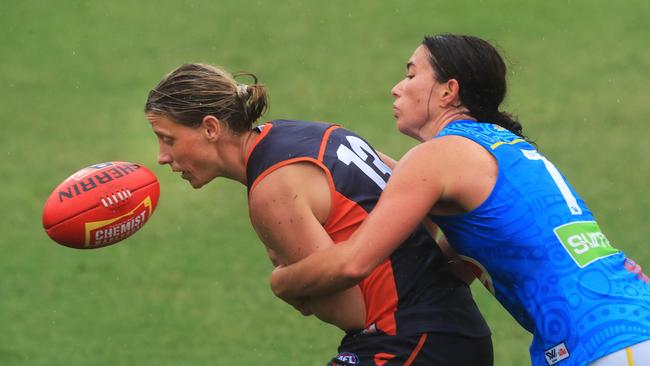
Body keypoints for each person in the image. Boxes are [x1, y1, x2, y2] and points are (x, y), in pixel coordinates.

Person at [270, 34, 650, 366]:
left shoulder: (440, 156)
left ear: (448, 91)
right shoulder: (497, 147)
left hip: (606, 341)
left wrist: (285, 281)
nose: (396, 87)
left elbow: (355, 261)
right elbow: (443, 273)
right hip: (624, 322)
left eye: (411, 74)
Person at [144, 63, 493, 365]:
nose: (161, 156)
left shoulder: (271, 189)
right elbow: (424, 204)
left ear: (210, 128)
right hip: (453, 330)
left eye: (168, 139)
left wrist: (285, 280)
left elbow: (349, 310)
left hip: (408, 343)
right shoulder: (309, 132)